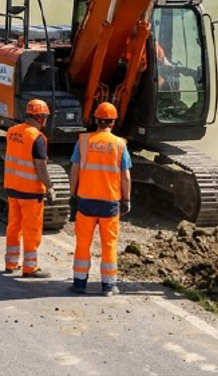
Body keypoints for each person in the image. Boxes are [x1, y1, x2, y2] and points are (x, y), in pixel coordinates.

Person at [69, 102, 132, 295]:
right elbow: (126, 176)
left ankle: (79, 283)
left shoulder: (84, 142)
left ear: (96, 120)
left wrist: (73, 195)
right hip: (110, 204)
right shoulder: (119, 145)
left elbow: (74, 171)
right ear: (112, 123)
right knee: (109, 244)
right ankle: (108, 286)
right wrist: (126, 200)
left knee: (83, 243)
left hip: (86, 201)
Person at [5, 99, 57, 277]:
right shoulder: (37, 138)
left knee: (14, 226)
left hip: (13, 189)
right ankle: (30, 267)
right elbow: (40, 166)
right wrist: (49, 187)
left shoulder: (12, 132)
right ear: (41, 118)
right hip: (30, 193)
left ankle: (11, 263)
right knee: (31, 230)